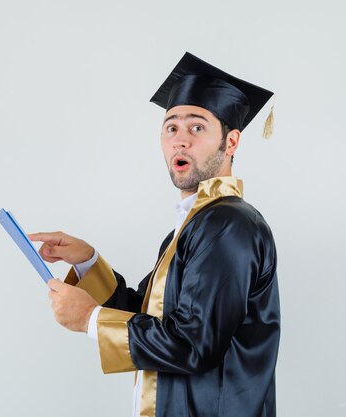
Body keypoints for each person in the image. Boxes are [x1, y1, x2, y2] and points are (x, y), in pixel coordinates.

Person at [28, 52, 280, 417]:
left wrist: (90, 319)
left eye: (197, 127)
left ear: (232, 142)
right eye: (171, 127)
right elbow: (149, 317)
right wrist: (88, 262)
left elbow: (193, 344)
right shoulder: (195, 226)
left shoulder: (228, 225)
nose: (180, 140)